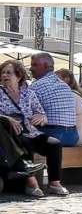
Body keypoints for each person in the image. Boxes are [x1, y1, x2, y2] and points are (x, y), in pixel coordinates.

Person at [0, 60, 68, 197]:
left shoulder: (28, 93)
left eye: (9, 72)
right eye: (3, 73)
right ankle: (31, 184)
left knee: (54, 144)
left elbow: (41, 112)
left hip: (31, 131)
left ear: (18, 76)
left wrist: (42, 117)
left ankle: (54, 183)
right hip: (10, 132)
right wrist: (8, 118)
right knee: (24, 143)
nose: (5, 75)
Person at [28, 53, 79, 147]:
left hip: (53, 134)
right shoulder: (64, 85)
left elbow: (26, 113)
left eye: (34, 65)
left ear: (46, 66)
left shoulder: (36, 86)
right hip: (73, 136)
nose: (31, 68)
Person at [55, 68, 82, 146]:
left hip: (75, 136)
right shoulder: (76, 95)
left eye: (56, 79)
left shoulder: (68, 96)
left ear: (66, 80)